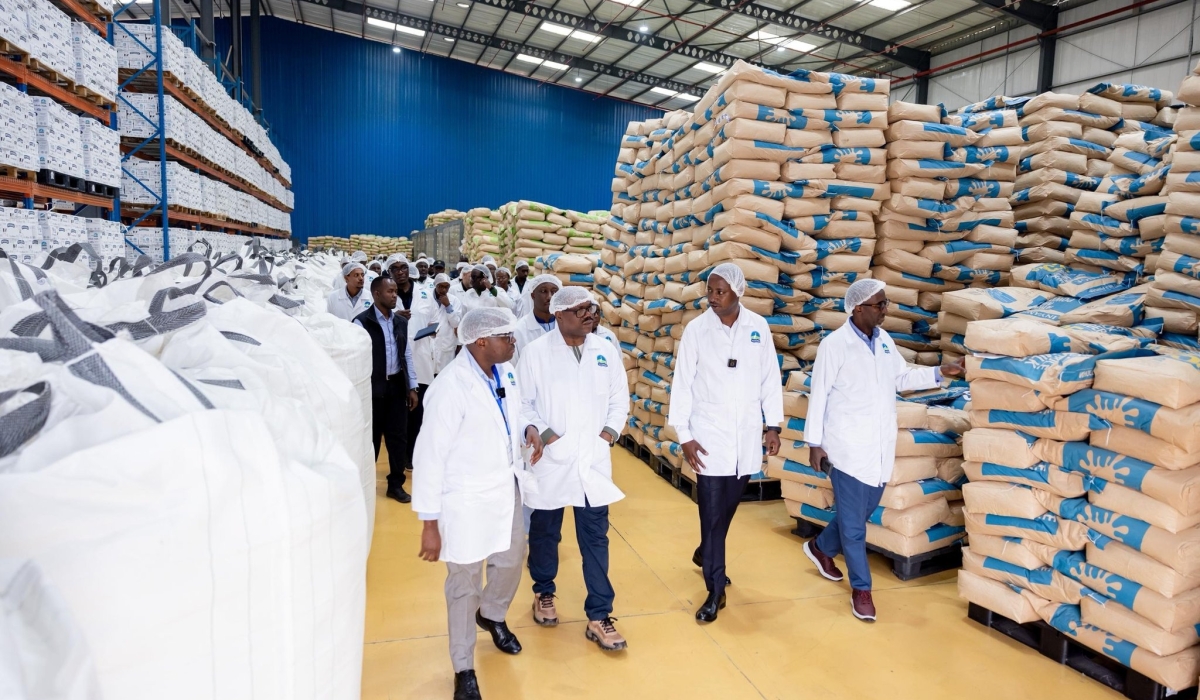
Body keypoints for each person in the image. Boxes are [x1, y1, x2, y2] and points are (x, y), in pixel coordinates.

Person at [803, 278, 965, 622]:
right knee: (854, 527)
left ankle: (819, 547)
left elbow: (901, 379)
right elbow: (818, 395)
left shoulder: (885, 341)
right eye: (879, 304)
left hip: (878, 447)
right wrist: (814, 443)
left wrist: (939, 372)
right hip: (845, 446)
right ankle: (862, 589)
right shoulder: (835, 346)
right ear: (858, 308)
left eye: (886, 302)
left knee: (859, 514)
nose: (886, 309)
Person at [412, 307, 538, 700]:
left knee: (512, 559)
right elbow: (428, 458)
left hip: (506, 488)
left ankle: (493, 613)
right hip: (465, 501)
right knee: (464, 584)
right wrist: (429, 523)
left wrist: (528, 429)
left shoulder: (507, 372)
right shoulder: (450, 388)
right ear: (482, 341)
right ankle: (463, 665)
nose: (513, 342)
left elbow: (511, 416)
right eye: (507, 337)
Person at [668, 263, 783, 623]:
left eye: (720, 291)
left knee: (726, 510)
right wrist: (684, 435)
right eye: (710, 291)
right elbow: (682, 383)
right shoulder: (697, 330)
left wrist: (773, 425)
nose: (713, 297)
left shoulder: (758, 328)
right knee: (712, 513)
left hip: (745, 436)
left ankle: (706, 551)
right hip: (708, 437)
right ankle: (715, 589)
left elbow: (769, 378)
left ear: (738, 292)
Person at [518, 286, 630, 652]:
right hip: (551, 459)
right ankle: (544, 592)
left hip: (593, 459)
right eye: (580, 310)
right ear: (558, 315)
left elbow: (619, 399)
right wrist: (547, 436)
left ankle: (599, 614)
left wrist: (607, 436)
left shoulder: (604, 351)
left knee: (595, 538)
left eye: (591, 309)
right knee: (546, 532)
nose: (589, 315)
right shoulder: (536, 354)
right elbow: (524, 404)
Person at [355, 276, 421, 504]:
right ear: (376, 294)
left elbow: (407, 354)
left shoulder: (400, 322)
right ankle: (366, 484)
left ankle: (396, 484)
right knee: (370, 440)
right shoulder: (362, 322)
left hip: (396, 387)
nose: (395, 295)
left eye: (395, 291)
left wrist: (412, 386)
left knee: (398, 438)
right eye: (390, 291)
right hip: (373, 389)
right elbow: (357, 359)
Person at [408, 273, 463, 463]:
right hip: (427, 349)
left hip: (445, 349)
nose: (444, 290)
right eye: (441, 287)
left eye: (447, 287)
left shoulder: (454, 300)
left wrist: (448, 305)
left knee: (442, 388)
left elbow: (457, 323)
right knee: (426, 388)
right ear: (436, 286)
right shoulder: (426, 300)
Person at [512, 273, 561, 360]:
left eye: (554, 292)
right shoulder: (519, 330)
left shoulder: (567, 326)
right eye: (543, 291)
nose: (549, 297)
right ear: (533, 295)